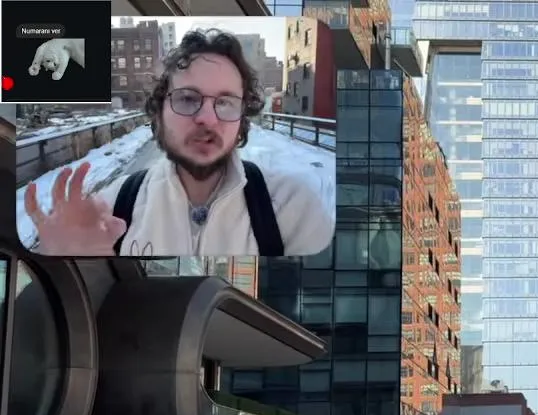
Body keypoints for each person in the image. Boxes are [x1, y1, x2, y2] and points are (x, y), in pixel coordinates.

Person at [23, 30, 333, 257]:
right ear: (158, 113)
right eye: (187, 98)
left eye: (225, 102)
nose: (207, 119)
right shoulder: (114, 206)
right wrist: (72, 263)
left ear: (242, 118)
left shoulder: (293, 207)